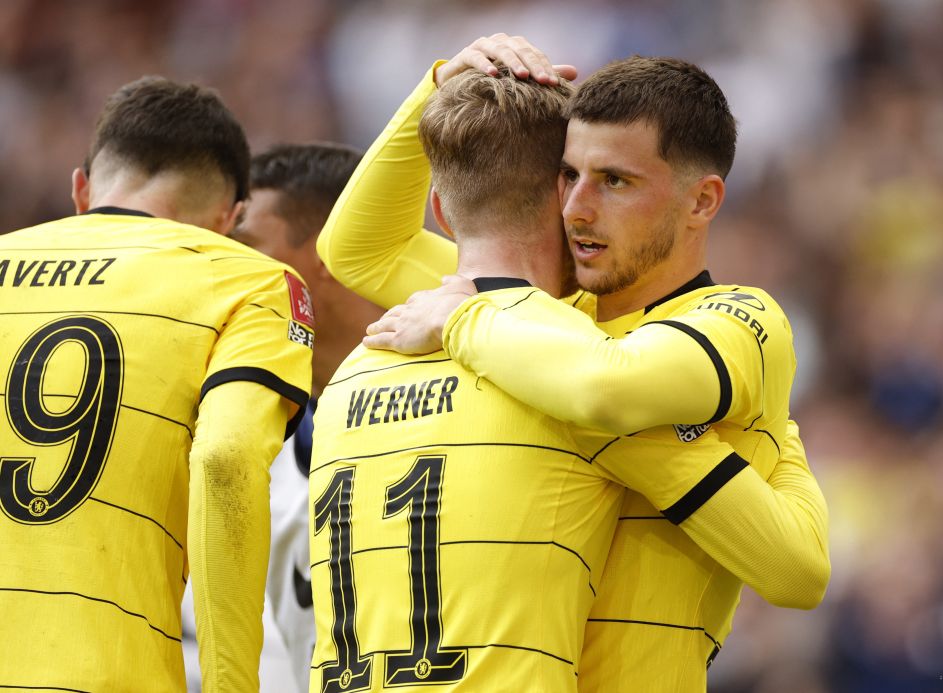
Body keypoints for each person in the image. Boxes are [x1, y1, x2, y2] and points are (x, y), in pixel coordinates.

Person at [318, 35, 830, 691]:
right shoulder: (538, 312)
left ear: (701, 201)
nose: (576, 207)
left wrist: (467, 319)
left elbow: (801, 572)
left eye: (614, 181)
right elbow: (355, 248)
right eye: (568, 174)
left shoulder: (736, 322)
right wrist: (442, 81)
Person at [0, 77, 312, 692]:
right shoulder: (250, 279)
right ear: (232, 217)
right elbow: (228, 459)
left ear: (81, 188)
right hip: (108, 673)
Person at [231, 142, 384, 692]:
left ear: (332, 249)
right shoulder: (247, 434)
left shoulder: (460, 392)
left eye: (243, 249)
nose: (225, 276)